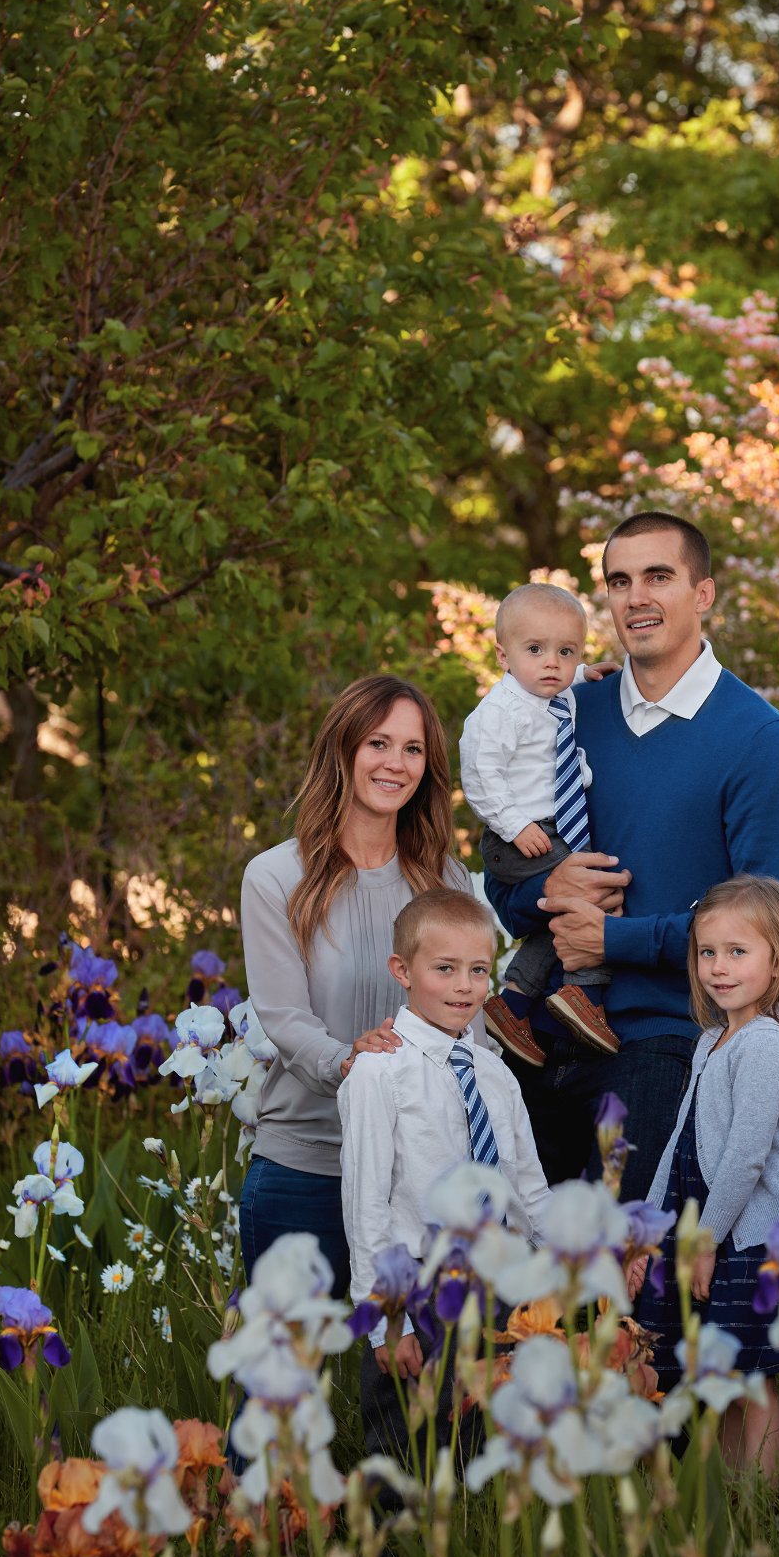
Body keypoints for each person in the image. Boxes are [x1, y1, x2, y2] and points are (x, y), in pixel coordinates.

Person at [483, 511, 779, 1196]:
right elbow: (504, 885)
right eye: (619, 581)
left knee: (623, 1276)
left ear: (703, 593)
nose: (635, 598)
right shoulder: (570, 711)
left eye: (658, 576)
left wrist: (614, 938)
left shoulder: (756, 738)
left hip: (668, 1042)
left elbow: (767, 925)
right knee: (525, 1284)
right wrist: (548, 888)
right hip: (540, 1035)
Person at [239, 675, 476, 1298]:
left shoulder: (446, 883)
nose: (395, 763)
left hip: (416, 1171)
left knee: (406, 1387)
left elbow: (466, 1023)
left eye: (413, 749)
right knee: (283, 1385)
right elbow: (284, 1019)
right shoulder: (275, 877)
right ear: (343, 749)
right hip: (305, 1166)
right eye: (378, 742)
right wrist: (351, 1063)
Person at [339, 888, 552, 1460]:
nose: (465, 985)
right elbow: (366, 1204)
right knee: (408, 1449)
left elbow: (525, 1186)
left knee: (487, 1447)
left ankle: (473, 1544)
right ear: (401, 971)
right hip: (417, 1292)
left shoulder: (495, 1074)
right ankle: (398, 1548)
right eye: (445, 969)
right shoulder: (378, 1072)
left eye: (479, 970)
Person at [630, 874, 779, 1480]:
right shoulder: (713, 1039)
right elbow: (680, 1142)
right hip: (707, 1226)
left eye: (738, 952)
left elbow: (746, 1158)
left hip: (752, 1238)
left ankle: (762, 1505)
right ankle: (728, 1492)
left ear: (777, 961)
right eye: (707, 952)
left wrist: (706, 1241)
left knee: (751, 1372)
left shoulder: (766, 1044)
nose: (718, 966)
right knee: (723, 1368)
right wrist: (651, 1230)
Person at [460, 582, 618, 1065]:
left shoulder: (555, 693)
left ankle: (513, 1004)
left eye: (566, 651)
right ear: (504, 655)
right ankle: (584, 992)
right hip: (519, 835)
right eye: (536, 650)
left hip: (550, 827)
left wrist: (586, 676)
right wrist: (513, 824)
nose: (552, 663)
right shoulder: (499, 712)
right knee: (592, 889)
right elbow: (479, 775)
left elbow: (561, 682)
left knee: (558, 917)